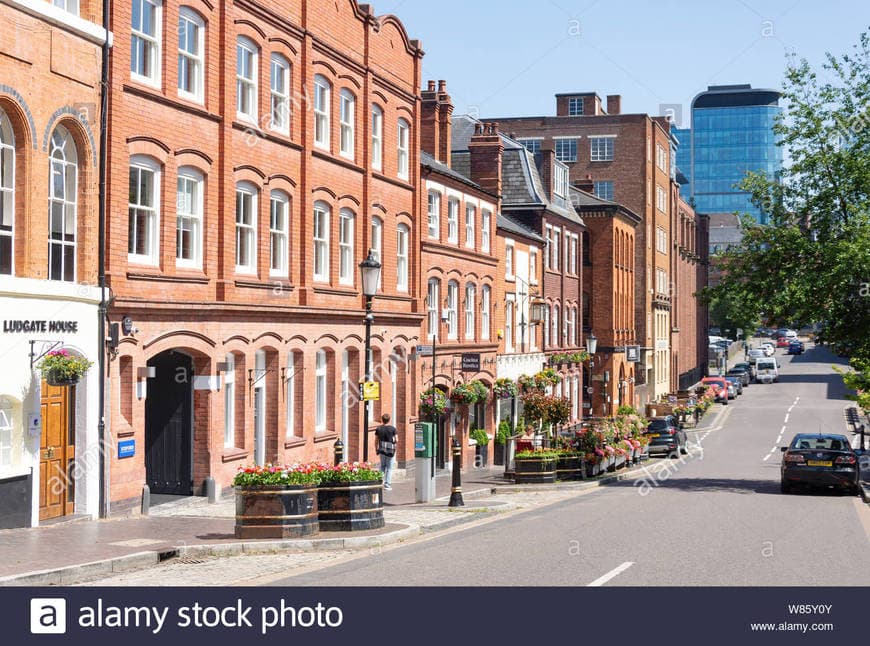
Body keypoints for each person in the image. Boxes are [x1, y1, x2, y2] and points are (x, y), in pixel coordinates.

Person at [374, 413, 398, 490]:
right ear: (389, 420)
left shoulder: (379, 429)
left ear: (382, 420)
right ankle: (387, 484)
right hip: (390, 450)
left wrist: (376, 448)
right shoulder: (393, 429)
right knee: (389, 468)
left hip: (382, 449)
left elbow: (376, 440)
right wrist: (393, 442)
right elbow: (397, 440)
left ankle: (380, 482)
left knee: (382, 466)